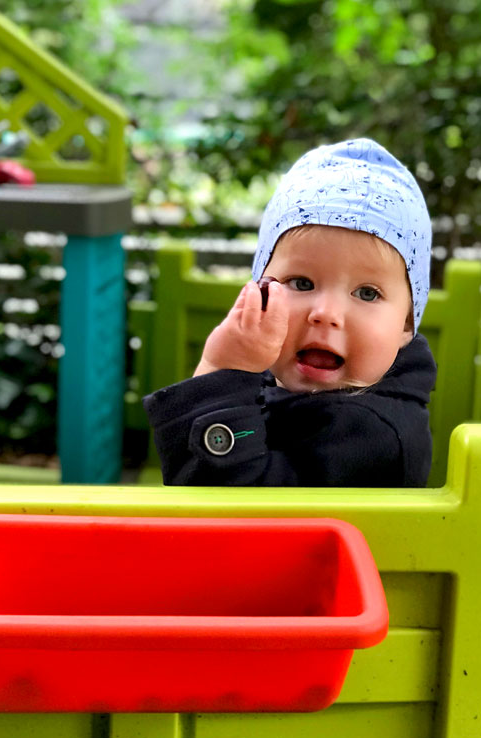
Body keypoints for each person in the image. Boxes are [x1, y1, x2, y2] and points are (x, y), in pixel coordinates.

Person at [143, 138, 437, 487]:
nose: (326, 314)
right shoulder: (272, 376)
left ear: (407, 323)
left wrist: (220, 371)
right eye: (301, 283)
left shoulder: (372, 436)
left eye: (367, 293)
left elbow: (234, 516)